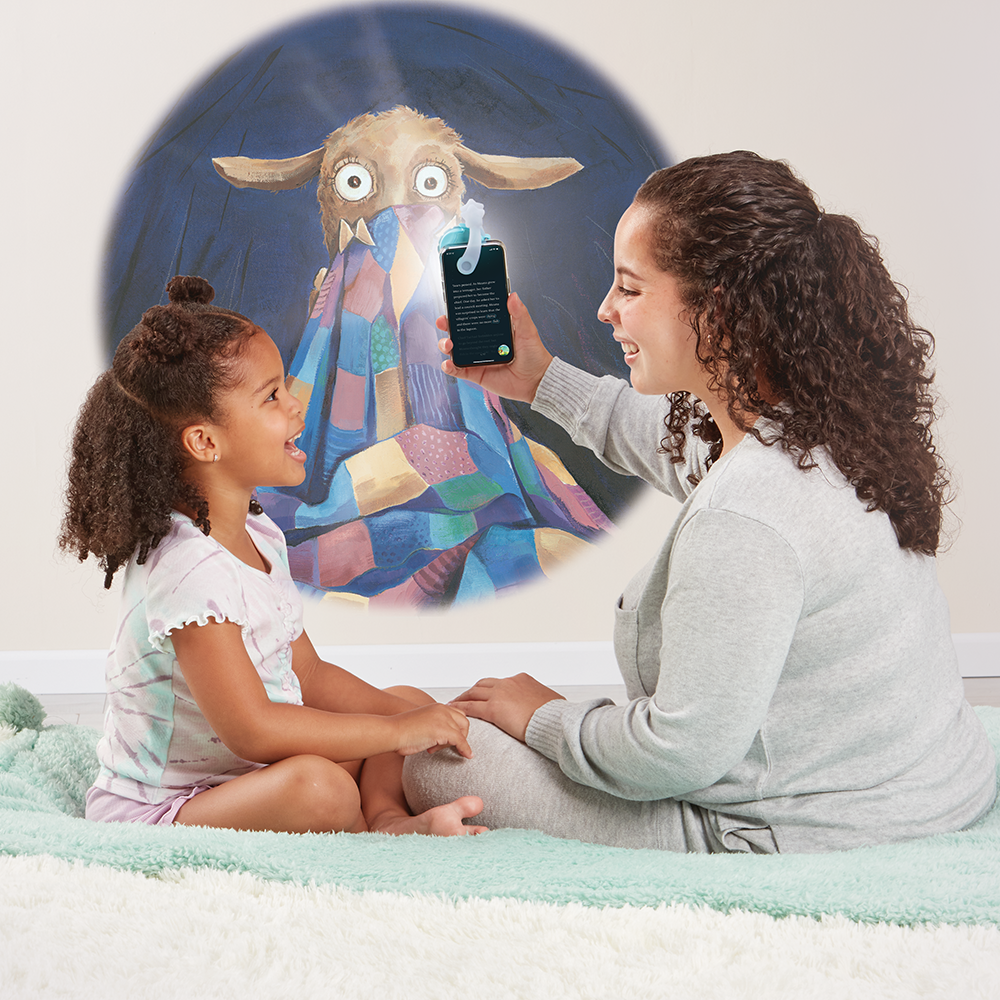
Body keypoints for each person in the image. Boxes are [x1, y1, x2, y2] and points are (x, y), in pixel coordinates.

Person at [403, 151, 997, 853]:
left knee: (434, 755)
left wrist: (547, 718)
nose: (605, 311)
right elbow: (659, 437)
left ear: (717, 309)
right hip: (927, 781)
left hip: (798, 828)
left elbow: (675, 754)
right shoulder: (816, 427)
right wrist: (535, 378)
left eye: (629, 288)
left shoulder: (748, 514)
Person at [61, 275, 485, 835]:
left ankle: (383, 822)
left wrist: (406, 720)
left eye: (285, 385)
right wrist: (397, 735)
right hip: (170, 806)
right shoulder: (188, 571)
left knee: (402, 699)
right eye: (272, 396)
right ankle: (365, 828)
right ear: (205, 442)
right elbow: (253, 730)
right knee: (322, 786)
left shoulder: (260, 535)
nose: (297, 404)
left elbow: (305, 671)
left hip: (250, 775)